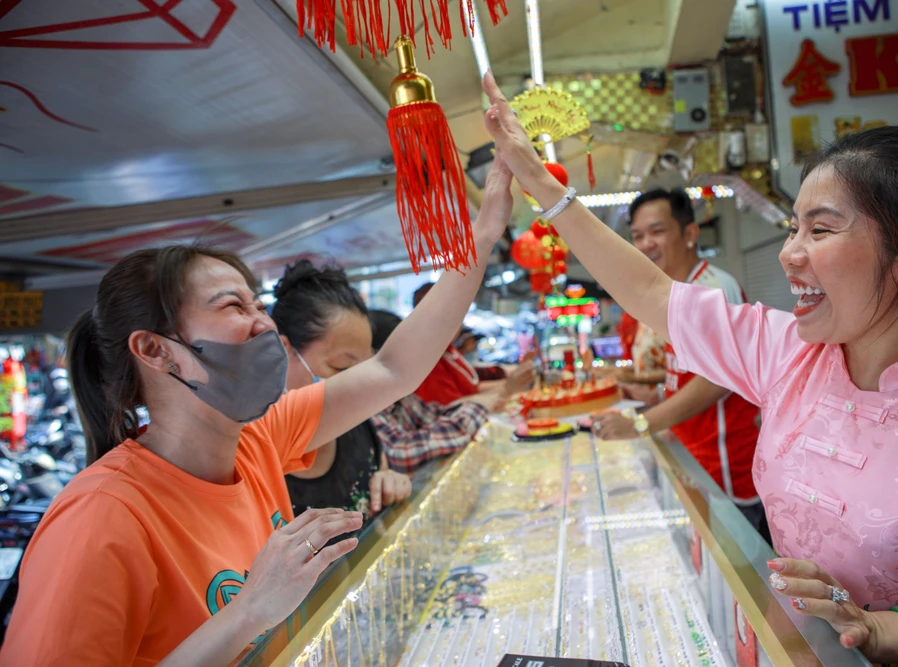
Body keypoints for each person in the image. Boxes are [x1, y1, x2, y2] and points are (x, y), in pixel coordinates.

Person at [483, 70, 898, 665]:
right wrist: (541, 183)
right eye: (792, 228)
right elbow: (649, 290)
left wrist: (885, 631)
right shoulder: (785, 352)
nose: (788, 253)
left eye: (821, 229)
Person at [0, 152, 514, 666]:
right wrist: (247, 612)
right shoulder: (101, 518)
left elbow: (394, 369)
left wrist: (484, 233)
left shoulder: (258, 440)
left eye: (258, 305)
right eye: (233, 307)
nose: (264, 325)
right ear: (156, 350)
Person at [591, 188, 765, 542]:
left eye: (657, 231)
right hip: (693, 458)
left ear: (689, 234)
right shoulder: (672, 296)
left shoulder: (713, 289)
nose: (645, 244)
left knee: (743, 580)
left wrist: (640, 424)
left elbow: (716, 381)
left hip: (727, 466)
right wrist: (655, 393)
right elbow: (685, 374)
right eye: (637, 236)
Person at [271, 261, 412, 517]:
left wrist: (391, 480)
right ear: (283, 350)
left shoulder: (359, 424)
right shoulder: (258, 451)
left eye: (364, 370)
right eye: (341, 368)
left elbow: (380, 473)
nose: (357, 387)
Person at [368, 310, 490, 473]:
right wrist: (476, 408)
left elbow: (435, 412)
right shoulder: (364, 405)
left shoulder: (398, 395)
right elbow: (401, 453)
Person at [411, 282, 534, 408]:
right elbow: (453, 408)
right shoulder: (426, 362)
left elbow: (472, 387)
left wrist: (514, 381)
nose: (458, 320)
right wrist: (508, 387)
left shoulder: (446, 349)